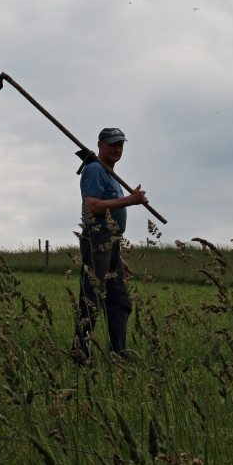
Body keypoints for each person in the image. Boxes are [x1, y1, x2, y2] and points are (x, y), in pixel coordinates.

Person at [73, 128, 149, 360]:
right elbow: (94, 207)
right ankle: (80, 352)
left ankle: (119, 351)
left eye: (120, 145)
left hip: (110, 242)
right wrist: (130, 200)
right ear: (100, 145)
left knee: (120, 299)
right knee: (93, 295)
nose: (117, 149)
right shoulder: (95, 169)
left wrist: (117, 255)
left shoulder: (110, 174)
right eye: (112, 144)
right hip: (97, 237)